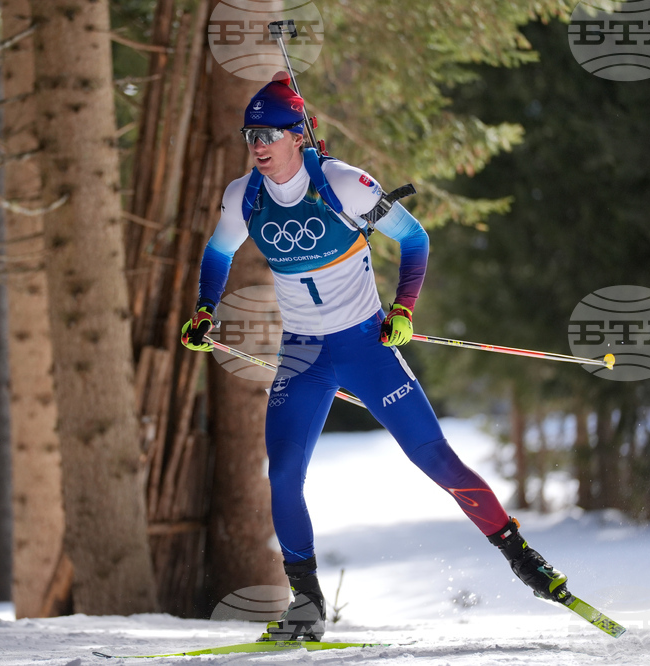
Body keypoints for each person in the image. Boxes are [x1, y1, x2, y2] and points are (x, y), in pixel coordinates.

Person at [181, 75, 567, 641]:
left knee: (436, 460)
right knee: (284, 475)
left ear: (298, 135)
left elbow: (415, 240)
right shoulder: (245, 196)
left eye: (269, 134)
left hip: (365, 347)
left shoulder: (344, 184)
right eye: (250, 135)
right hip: (303, 355)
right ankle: (306, 602)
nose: (258, 145)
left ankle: (524, 559)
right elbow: (218, 252)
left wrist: (403, 309)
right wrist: (203, 310)